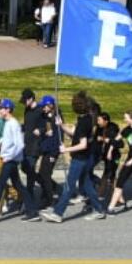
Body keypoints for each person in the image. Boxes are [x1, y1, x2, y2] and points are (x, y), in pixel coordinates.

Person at [41, 92, 108, 223]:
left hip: (80, 158)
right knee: (87, 185)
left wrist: (66, 149)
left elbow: (83, 144)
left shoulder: (84, 122)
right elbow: (75, 134)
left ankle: (58, 213)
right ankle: (99, 210)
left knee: (69, 186)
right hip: (85, 158)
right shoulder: (86, 118)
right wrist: (61, 125)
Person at [0, 99, 38, 224]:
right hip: (9, 159)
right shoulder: (8, 123)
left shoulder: (13, 124)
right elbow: (6, 138)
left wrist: (10, 156)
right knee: (18, 185)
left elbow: (20, 144)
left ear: (8, 109)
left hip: (10, 160)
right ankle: (32, 212)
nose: (0, 110)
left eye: (3, 108)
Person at [34, 96, 62, 210]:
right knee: (42, 173)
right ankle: (53, 190)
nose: (43, 108)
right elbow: (47, 130)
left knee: (45, 174)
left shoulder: (56, 117)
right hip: (46, 149)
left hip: (53, 150)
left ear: (50, 105)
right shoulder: (47, 117)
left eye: (45, 106)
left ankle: (49, 200)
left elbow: (55, 134)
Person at [94, 111, 122, 203]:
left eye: (99, 120)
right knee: (107, 174)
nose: (97, 121)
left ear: (105, 121)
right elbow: (96, 138)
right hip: (103, 154)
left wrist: (104, 139)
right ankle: (101, 193)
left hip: (114, 155)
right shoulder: (99, 128)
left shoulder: (113, 128)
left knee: (110, 175)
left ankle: (114, 197)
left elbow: (119, 143)